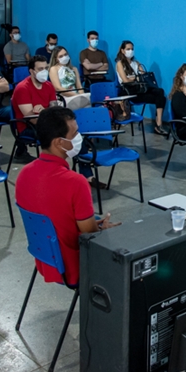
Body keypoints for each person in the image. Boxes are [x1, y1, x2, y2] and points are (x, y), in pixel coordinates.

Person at [15, 106, 119, 286]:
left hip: (44, 258)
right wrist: (101, 228)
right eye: (75, 133)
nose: (80, 138)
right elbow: (90, 233)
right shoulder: (76, 182)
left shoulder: (24, 174)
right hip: (72, 266)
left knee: (93, 218)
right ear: (59, 142)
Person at [115, 40, 168, 136]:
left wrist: (139, 76)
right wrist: (136, 77)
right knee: (160, 98)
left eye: (132, 49)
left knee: (160, 92)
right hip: (129, 91)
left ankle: (158, 123)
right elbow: (125, 80)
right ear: (122, 50)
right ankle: (158, 125)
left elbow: (143, 76)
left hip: (140, 88)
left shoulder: (136, 63)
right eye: (128, 49)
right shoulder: (120, 63)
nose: (130, 51)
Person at [11, 55, 57, 161]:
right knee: (56, 132)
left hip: (45, 122)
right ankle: (50, 163)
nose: (44, 72)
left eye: (46, 68)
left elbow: (54, 109)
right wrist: (48, 115)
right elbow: (32, 119)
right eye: (40, 69)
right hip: (27, 127)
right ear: (32, 71)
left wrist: (44, 112)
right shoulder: (22, 88)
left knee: (70, 129)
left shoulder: (49, 85)